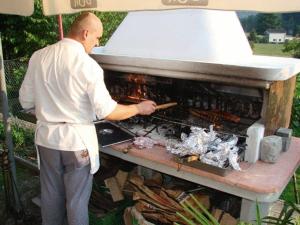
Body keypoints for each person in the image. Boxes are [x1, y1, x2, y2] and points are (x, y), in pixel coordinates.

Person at [19, 12, 156, 225]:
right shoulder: (88, 65)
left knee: (50, 197)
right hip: (76, 144)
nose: (97, 42)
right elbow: (108, 112)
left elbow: (25, 100)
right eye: (97, 37)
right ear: (85, 34)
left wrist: (50, 109)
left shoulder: (38, 56)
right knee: (76, 202)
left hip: (46, 139)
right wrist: (139, 107)